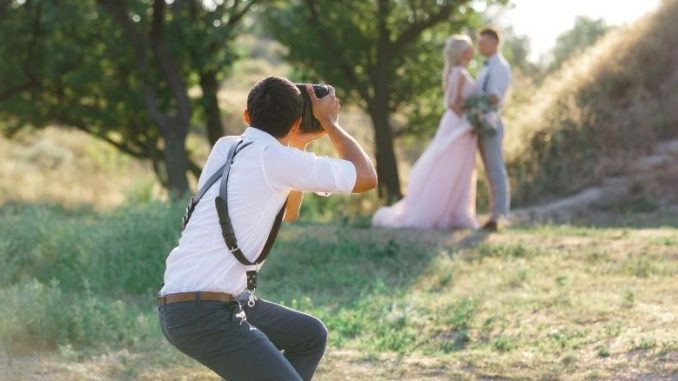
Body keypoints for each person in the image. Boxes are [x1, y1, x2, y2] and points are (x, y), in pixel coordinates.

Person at [157, 76, 377, 381]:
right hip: (205, 312)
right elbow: (366, 177)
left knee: (309, 335)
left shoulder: (226, 148)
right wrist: (329, 122)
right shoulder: (276, 160)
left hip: (188, 303)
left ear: (247, 116)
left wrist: (297, 142)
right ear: (297, 121)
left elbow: (289, 212)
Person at [372, 35, 480, 230]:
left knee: (456, 169)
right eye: (470, 49)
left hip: (456, 124)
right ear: (464, 52)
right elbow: (453, 103)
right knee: (451, 168)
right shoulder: (460, 74)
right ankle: (450, 212)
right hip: (459, 125)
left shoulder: (454, 72)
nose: (472, 53)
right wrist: (472, 118)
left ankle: (455, 211)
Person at [475, 27, 512, 232]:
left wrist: (470, 102)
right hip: (481, 122)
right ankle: (494, 214)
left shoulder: (499, 67)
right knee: (490, 172)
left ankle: (500, 215)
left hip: (491, 122)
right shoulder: (485, 67)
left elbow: (494, 96)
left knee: (496, 170)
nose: (479, 45)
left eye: (483, 42)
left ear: (495, 42)